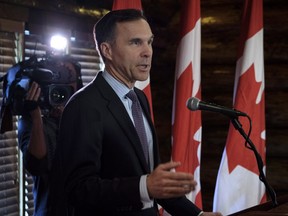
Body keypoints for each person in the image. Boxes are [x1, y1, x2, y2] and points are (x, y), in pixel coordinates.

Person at [56, 9, 222, 216]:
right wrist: (144, 186)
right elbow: (78, 190)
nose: (148, 52)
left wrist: (195, 215)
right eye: (135, 42)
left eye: (149, 42)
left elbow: (152, 179)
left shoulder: (139, 98)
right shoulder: (83, 105)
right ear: (107, 50)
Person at [17, 56, 83, 216]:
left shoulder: (83, 117)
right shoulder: (32, 121)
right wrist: (36, 117)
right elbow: (36, 166)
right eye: (58, 77)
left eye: (69, 78)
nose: (64, 85)